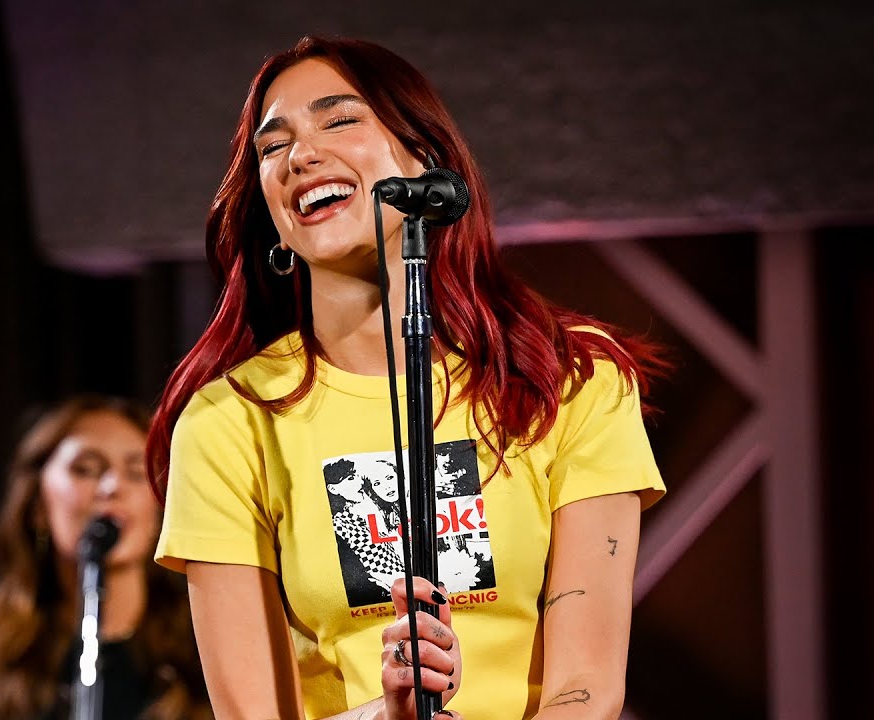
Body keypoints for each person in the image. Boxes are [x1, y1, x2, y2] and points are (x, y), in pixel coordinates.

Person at [147, 35, 667, 720]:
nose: (302, 155)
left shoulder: (571, 377)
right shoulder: (229, 420)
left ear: (427, 160)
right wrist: (380, 716)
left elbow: (587, 688)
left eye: (340, 120)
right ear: (272, 216)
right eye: (274, 147)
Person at [0, 394, 212, 720]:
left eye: (135, 472)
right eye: (86, 469)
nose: (112, 486)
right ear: (37, 507)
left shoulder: (204, 643)